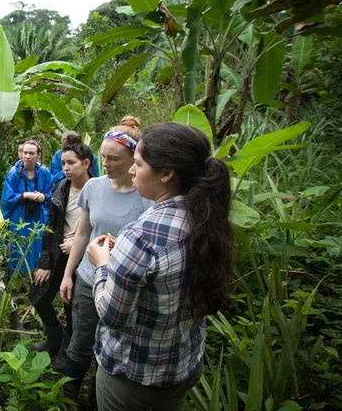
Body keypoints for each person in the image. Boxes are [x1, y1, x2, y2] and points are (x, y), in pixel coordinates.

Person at [87, 123, 233, 411]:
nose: (131, 170)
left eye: (138, 164)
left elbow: (112, 316)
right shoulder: (205, 217)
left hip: (136, 378)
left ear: (166, 174)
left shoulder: (140, 236)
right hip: (183, 364)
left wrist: (103, 265)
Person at [58, 116, 153, 405]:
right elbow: (83, 232)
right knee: (81, 340)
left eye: (114, 159)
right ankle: (68, 393)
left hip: (126, 284)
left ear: (133, 159)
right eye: (103, 157)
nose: (107, 164)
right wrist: (68, 274)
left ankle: (100, 394)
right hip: (88, 278)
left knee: (116, 345)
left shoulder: (147, 195)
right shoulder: (94, 187)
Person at [28, 140, 94, 369]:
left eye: (71, 163)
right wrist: (45, 260)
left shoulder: (97, 190)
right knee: (39, 295)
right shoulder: (61, 187)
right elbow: (51, 226)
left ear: (86, 163)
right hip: (58, 253)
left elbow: (101, 228)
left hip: (86, 258)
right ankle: (54, 339)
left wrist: (78, 244)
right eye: (63, 162)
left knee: (72, 305)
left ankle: (67, 350)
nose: (66, 167)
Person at [0, 139, 52, 275]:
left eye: (31, 153)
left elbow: (51, 193)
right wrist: (24, 195)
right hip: (19, 218)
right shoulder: (13, 174)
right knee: (19, 247)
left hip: (38, 218)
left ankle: (36, 278)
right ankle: (17, 282)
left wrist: (44, 196)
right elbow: (6, 200)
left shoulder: (44, 173)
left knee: (37, 245)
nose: (27, 156)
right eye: (25, 152)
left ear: (38, 155)